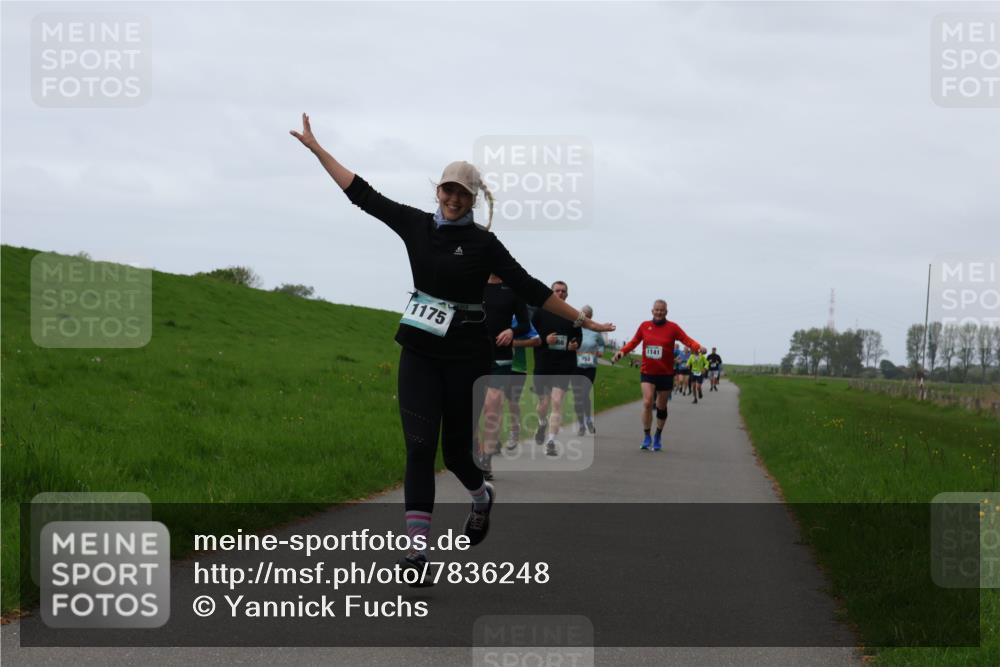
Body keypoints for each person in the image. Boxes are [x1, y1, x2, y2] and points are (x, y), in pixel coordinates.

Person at [290, 114, 614, 584]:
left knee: (457, 454)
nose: (454, 199)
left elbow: (531, 287)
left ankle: (481, 498)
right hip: (419, 351)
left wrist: (583, 321)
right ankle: (418, 555)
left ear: (474, 198)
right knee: (419, 448)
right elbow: (362, 194)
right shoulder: (416, 226)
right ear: (437, 191)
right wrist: (319, 150)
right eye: (447, 190)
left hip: (467, 357)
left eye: (463, 193)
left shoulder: (485, 244)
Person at [612, 300, 701, 452]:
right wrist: (622, 352)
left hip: (665, 373)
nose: (659, 312)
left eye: (662, 310)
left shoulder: (673, 328)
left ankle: (658, 435)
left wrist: (698, 347)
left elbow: (687, 339)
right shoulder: (644, 326)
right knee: (647, 403)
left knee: (661, 406)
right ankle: (647, 436)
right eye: (656, 310)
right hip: (648, 372)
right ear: (652, 311)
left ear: (666, 312)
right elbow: (634, 342)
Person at [479, 274, 531, 480]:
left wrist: (512, 330)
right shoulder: (474, 283)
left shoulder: (513, 290)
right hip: (472, 356)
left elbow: (525, 324)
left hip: (500, 358)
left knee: (493, 408)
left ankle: (485, 460)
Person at [532, 281, 582, 457]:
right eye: (557, 291)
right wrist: (546, 339)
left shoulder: (572, 315)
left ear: (567, 295)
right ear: (552, 293)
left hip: (564, 364)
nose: (560, 293)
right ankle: (541, 422)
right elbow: (532, 336)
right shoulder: (540, 312)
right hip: (544, 363)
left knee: (557, 402)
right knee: (543, 405)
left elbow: (578, 338)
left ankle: (551, 441)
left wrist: (574, 345)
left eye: (563, 291)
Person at [505, 314, 540, 451]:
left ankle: (514, 431)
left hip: (517, 368)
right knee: (495, 402)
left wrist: (514, 343)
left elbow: (536, 340)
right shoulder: (494, 313)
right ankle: (493, 440)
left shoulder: (520, 319)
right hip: (496, 365)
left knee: (512, 402)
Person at [572, 305, 604, 436]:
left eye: (587, 315)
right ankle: (581, 425)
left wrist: (600, 352)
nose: (585, 317)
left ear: (591, 316)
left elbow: (601, 344)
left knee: (584, 394)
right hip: (575, 366)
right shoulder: (575, 328)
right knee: (577, 397)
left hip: (590, 367)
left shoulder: (595, 330)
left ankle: (588, 420)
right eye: (583, 314)